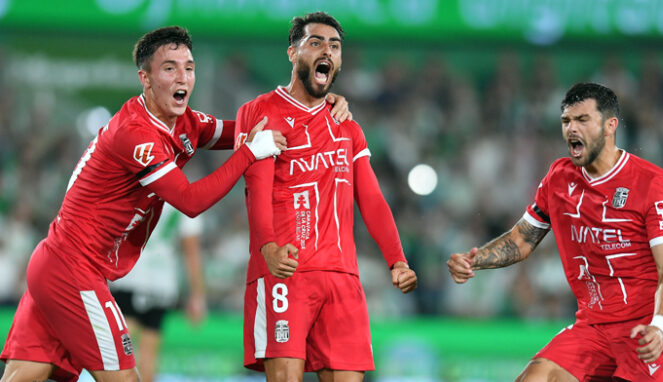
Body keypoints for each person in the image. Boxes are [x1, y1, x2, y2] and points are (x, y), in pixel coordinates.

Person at [0, 25, 351, 382]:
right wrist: (249, 153)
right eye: (169, 68)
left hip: (57, 264)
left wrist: (315, 108)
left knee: (24, 373)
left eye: (189, 67)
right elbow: (190, 200)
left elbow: (246, 128)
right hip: (73, 271)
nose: (183, 76)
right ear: (146, 78)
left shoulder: (185, 123)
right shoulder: (135, 134)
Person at [447, 83, 663, 381]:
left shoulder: (653, 183)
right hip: (593, 327)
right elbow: (522, 239)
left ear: (610, 126)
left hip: (644, 327)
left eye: (582, 120)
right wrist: (474, 260)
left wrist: (660, 326)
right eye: (566, 121)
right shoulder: (559, 178)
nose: (571, 129)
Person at [235, 11, 418, 382]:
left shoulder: (345, 124)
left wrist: (396, 260)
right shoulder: (259, 112)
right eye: (315, 42)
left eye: (334, 46)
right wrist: (268, 248)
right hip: (286, 273)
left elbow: (371, 198)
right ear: (292, 53)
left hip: (342, 278)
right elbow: (256, 187)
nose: (327, 51)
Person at [110, 203, 206, 382]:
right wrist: (197, 294)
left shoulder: (141, 181)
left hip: (129, 274)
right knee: (149, 354)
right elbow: (191, 250)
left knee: (119, 352)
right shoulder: (185, 193)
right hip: (162, 281)